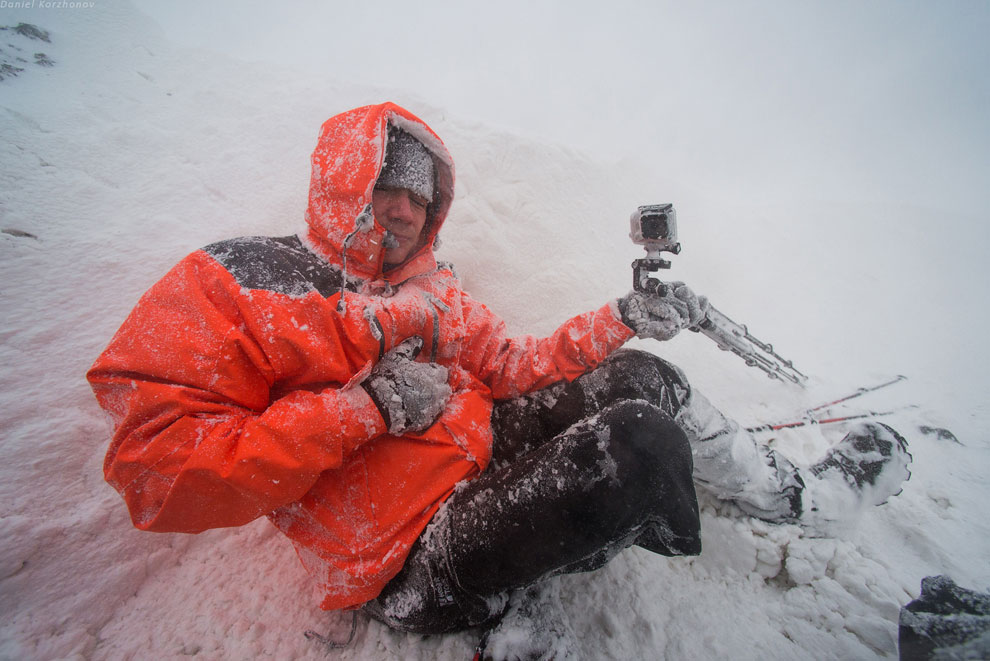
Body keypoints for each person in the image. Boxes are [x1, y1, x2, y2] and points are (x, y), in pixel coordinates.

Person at [87, 102, 912, 644]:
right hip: (406, 555)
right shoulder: (243, 280)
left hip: (480, 458)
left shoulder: (433, 290)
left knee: (645, 377)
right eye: (385, 183)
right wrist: (364, 410)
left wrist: (621, 315)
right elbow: (156, 473)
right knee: (638, 444)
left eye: (419, 191)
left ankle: (798, 497)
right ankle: (532, 586)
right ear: (342, 182)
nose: (405, 206)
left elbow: (518, 366)